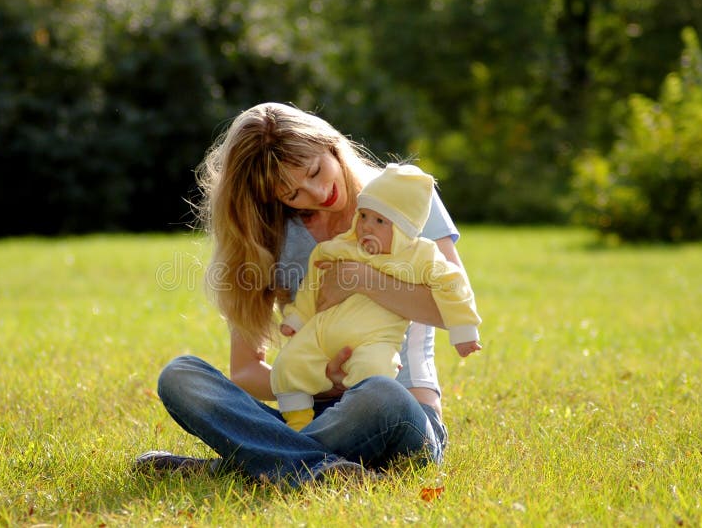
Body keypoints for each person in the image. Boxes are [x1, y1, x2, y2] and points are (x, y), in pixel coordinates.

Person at [135, 102, 482, 488]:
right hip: (310, 409)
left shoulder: (406, 192)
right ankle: (314, 467)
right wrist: (323, 383)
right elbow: (246, 370)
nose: (316, 193)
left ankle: (249, 462)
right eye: (292, 193)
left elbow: (450, 306)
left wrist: (360, 278)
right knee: (181, 377)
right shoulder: (270, 234)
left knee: (380, 393)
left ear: (329, 143)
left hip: (398, 409)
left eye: (315, 171)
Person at [272, 163, 481, 431]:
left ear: (403, 229)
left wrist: (464, 331)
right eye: (363, 216)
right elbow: (314, 278)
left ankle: (298, 444)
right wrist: (298, 318)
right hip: (321, 337)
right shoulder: (344, 247)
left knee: (375, 378)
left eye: (380, 221)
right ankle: (299, 426)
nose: (367, 227)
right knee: (288, 364)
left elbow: (452, 283)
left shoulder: (418, 256)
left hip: (376, 341)